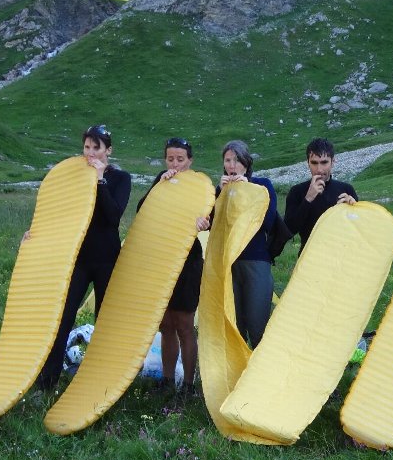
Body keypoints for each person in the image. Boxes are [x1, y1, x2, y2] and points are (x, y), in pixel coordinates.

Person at [29, 124, 132, 395]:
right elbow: (58, 212)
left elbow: (113, 217)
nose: (90, 153)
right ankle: (47, 383)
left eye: (96, 147)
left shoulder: (121, 178)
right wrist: (35, 233)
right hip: (78, 257)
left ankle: (101, 384)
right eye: (86, 147)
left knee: (106, 320)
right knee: (63, 317)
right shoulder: (74, 175)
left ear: (108, 150)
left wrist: (99, 180)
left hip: (107, 257)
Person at [138, 137, 212, 395]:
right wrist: (160, 185)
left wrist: (205, 223)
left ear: (190, 161)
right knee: (166, 324)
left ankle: (189, 386)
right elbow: (142, 210)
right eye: (171, 159)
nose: (175, 163)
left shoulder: (199, 185)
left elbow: (209, 217)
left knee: (184, 323)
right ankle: (167, 380)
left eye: (180, 159)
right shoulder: (162, 179)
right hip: (162, 261)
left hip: (188, 261)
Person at [217, 140, 277, 347]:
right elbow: (211, 225)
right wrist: (219, 194)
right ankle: (237, 374)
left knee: (257, 323)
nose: (232, 165)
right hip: (228, 262)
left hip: (256, 260)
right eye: (228, 160)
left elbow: (268, 222)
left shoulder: (262, 185)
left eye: (237, 160)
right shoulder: (222, 190)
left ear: (246, 163)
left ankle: (262, 374)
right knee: (235, 326)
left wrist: (247, 192)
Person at [284, 138, 358, 251]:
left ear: (333, 162)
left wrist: (354, 210)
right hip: (310, 257)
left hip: (343, 256)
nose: (319, 169)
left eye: (324, 162)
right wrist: (308, 198)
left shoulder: (346, 189)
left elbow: (358, 230)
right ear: (308, 163)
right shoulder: (297, 191)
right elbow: (289, 230)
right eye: (314, 163)